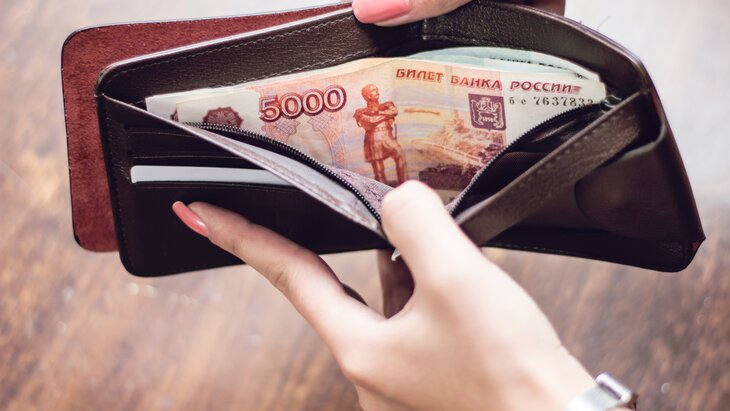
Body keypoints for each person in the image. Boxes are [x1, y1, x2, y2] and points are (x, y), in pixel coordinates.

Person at [172, 1, 629, 410]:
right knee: (384, 166)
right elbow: (371, 115)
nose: (373, 97)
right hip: (380, 149)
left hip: (396, 154)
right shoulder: (369, 111)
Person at [354, 84, 408, 185]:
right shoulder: (359, 111)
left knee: (400, 154)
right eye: (373, 90)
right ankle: (382, 190)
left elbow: (394, 111)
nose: (377, 91)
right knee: (378, 168)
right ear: (367, 95)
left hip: (387, 136)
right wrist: (386, 115)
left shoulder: (387, 104)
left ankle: (404, 185)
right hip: (373, 138)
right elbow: (371, 120)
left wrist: (378, 112)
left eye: (377, 89)